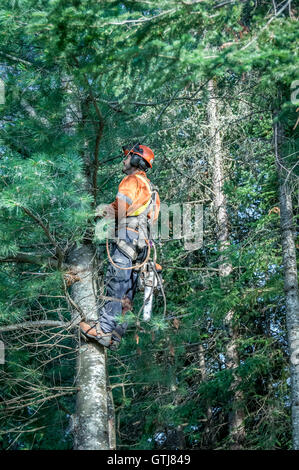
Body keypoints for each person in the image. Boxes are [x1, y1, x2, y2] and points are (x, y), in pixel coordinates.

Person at [80, 143, 160, 349]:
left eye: (127, 157)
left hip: (127, 239)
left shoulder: (131, 181)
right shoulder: (152, 190)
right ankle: (116, 334)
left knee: (116, 283)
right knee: (127, 291)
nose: (124, 161)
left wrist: (98, 214)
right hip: (142, 247)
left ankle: (104, 330)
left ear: (135, 160)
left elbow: (120, 208)